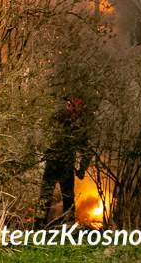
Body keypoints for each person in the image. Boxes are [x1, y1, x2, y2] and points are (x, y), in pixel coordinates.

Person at [37, 95, 91, 225]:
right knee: (56, 198)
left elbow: (87, 151)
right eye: (67, 104)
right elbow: (87, 151)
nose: (66, 107)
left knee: (57, 198)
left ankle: (40, 226)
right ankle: (42, 226)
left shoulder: (70, 127)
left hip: (61, 166)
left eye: (69, 105)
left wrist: (82, 169)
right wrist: (81, 170)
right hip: (59, 165)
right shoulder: (61, 124)